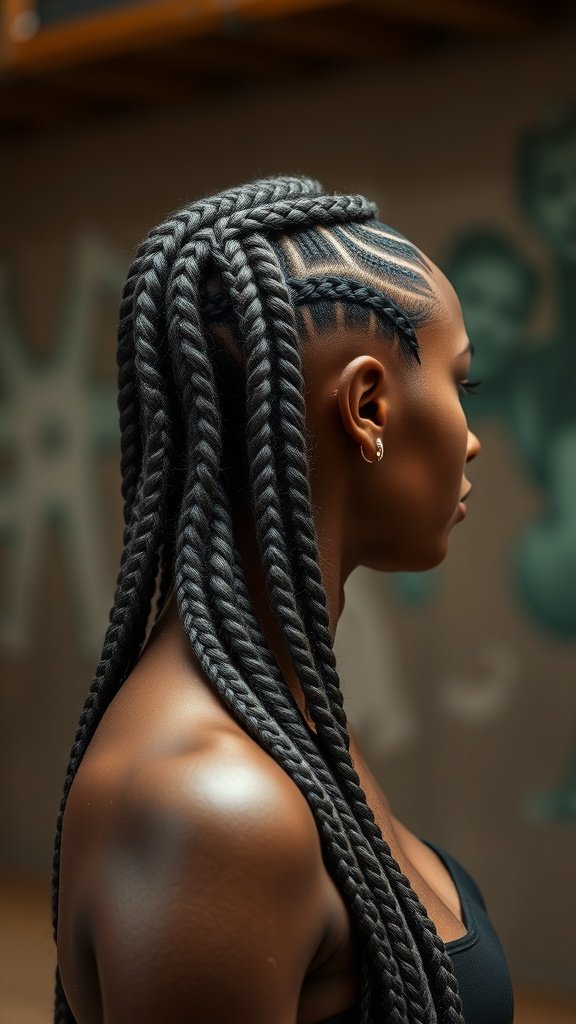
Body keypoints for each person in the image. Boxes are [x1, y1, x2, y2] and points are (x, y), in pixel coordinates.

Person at [52, 175, 514, 1023]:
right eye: (463, 385)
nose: (473, 438)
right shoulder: (211, 810)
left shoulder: (281, 713)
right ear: (368, 406)